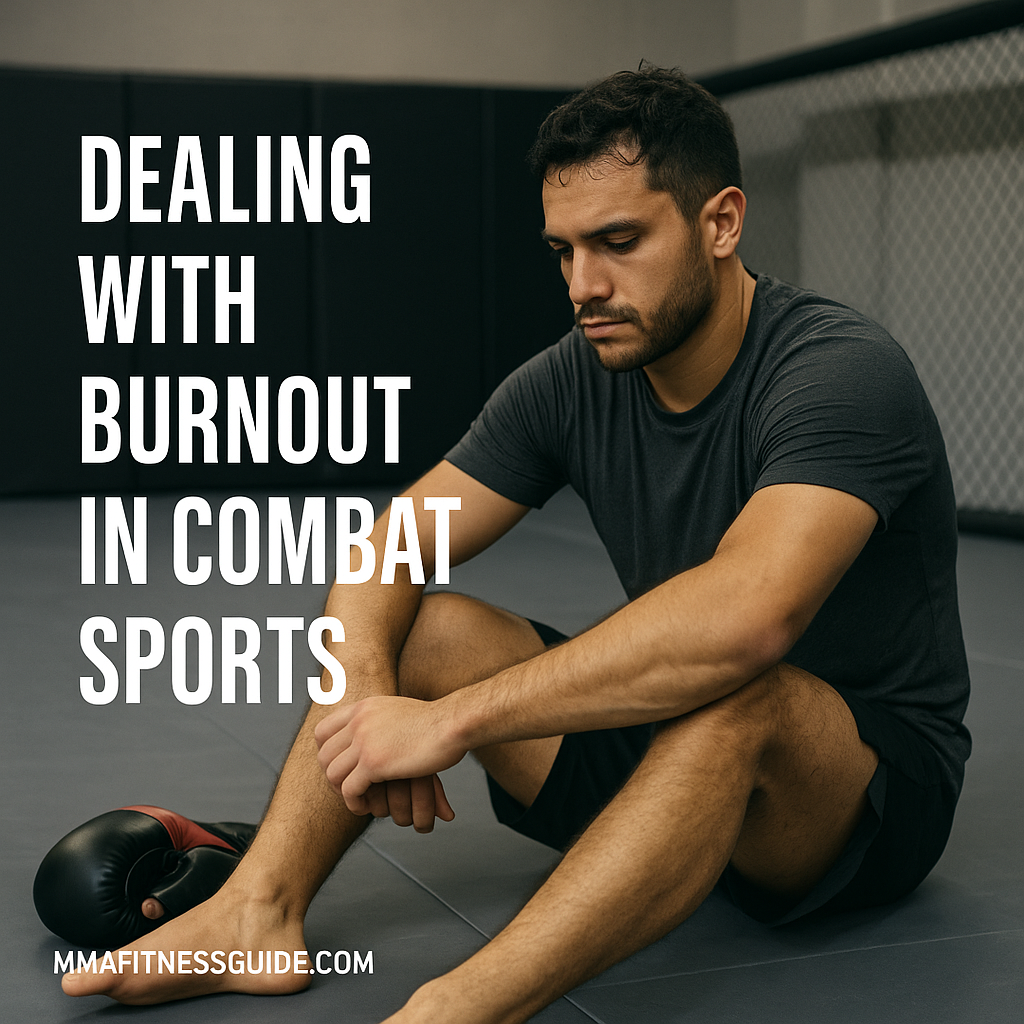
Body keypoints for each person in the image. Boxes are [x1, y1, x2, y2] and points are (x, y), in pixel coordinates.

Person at [63, 65, 971, 1023]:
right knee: (421, 633)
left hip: (855, 803)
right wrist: (374, 692)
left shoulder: (837, 373)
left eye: (619, 242)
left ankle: (452, 1011)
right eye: (563, 251)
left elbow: (747, 618)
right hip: (670, 751)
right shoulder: (574, 376)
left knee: (740, 700)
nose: (585, 286)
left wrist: (451, 725)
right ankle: (257, 911)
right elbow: (390, 543)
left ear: (721, 222)